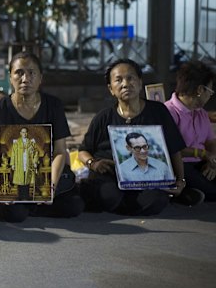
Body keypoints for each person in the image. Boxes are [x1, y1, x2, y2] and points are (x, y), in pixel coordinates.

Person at [78, 59, 198, 216]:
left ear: (140, 83)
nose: (126, 84)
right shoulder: (103, 117)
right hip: (109, 174)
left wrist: (180, 182)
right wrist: (93, 164)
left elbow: (174, 149)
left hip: (147, 178)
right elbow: (83, 151)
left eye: (131, 78)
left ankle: (114, 203)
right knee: (109, 196)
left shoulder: (158, 111)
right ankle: (113, 200)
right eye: (118, 80)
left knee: (157, 200)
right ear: (111, 89)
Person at [0, 52, 84, 222]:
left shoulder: (54, 105)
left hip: (45, 173)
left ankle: (32, 204)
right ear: (10, 77)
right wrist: (2, 180)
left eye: (31, 73)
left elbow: (59, 151)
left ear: (40, 78)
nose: (25, 78)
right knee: (16, 215)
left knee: (75, 206)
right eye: (19, 72)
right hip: (12, 175)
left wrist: (51, 185)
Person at [164, 60, 216, 201]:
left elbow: (211, 141)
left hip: (201, 163)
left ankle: (189, 193)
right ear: (200, 90)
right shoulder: (167, 112)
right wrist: (202, 153)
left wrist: (213, 161)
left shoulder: (201, 113)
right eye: (210, 91)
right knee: (212, 191)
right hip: (180, 166)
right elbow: (168, 149)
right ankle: (184, 192)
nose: (210, 95)